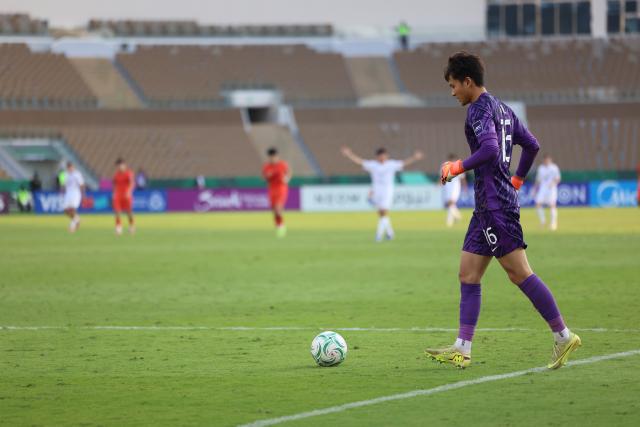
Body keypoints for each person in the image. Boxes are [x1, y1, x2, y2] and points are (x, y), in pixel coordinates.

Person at [425, 52, 580, 369]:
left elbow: (491, 149)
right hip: (487, 205)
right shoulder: (503, 109)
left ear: (467, 82)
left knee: (519, 273)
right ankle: (462, 347)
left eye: (454, 85)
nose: (452, 91)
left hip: (495, 206)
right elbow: (532, 144)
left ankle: (563, 335)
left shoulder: (479, 111)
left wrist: (457, 167)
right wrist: (519, 179)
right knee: (468, 274)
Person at [342, 146, 423, 241]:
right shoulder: (373, 165)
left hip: (387, 191)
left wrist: (414, 157)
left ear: (387, 156)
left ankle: (378, 235)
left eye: (384, 156)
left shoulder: (391, 164)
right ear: (377, 157)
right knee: (381, 214)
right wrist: (349, 155)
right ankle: (390, 233)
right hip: (376, 191)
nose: (382, 158)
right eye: (380, 156)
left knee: (384, 212)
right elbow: (360, 161)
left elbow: (404, 163)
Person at [262, 148, 291, 237]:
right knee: (274, 211)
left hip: (281, 188)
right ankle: (279, 225)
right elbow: (265, 178)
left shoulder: (283, 164)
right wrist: (269, 176)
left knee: (278, 208)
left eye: (274, 157)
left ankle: (281, 227)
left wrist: (287, 179)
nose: (273, 159)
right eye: (271, 157)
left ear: (277, 156)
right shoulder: (266, 166)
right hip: (272, 189)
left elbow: (288, 173)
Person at [533, 154, 561, 230]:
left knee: (552, 205)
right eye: (545, 160)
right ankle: (543, 221)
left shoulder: (554, 168)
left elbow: (558, 178)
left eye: (547, 160)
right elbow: (538, 180)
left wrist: (553, 183)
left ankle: (553, 223)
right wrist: (534, 189)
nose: (546, 161)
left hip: (551, 189)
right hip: (543, 189)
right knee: (538, 204)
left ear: (550, 160)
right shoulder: (541, 168)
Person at [442, 153, 467, 227]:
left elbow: (463, 179)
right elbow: (442, 176)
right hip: (447, 187)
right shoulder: (445, 166)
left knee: (451, 203)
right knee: (450, 204)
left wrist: (464, 187)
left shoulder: (458, 167)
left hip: (455, 187)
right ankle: (457, 217)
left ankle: (449, 221)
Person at [112, 158, 135, 235]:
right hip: (118, 196)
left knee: (129, 212)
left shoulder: (129, 173)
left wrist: (129, 191)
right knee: (117, 212)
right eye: (118, 166)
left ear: (124, 165)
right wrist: (114, 192)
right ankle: (118, 228)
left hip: (126, 196)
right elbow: (114, 184)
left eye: (120, 165)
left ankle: (131, 226)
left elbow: (132, 183)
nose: (119, 167)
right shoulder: (116, 175)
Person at [62, 161, 85, 233]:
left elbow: (81, 184)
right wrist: (63, 191)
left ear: (73, 167)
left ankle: (73, 225)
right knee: (65, 210)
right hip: (68, 193)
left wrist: (83, 194)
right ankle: (76, 219)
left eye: (71, 166)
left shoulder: (77, 174)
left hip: (75, 193)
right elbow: (65, 185)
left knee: (72, 209)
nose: (70, 168)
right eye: (68, 167)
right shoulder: (66, 175)